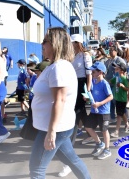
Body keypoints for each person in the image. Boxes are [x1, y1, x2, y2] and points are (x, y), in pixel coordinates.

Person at [29, 27, 90, 179]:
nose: (41, 44)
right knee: (72, 160)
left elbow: (60, 100)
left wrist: (51, 132)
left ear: (55, 44)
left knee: (36, 169)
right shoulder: (55, 66)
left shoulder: (59, 68)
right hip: (56, 127)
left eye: (45, 41)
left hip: (54, 127)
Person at [58, 34, 92, 178]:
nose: (71, 45)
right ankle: (95, 137)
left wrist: (87, 91)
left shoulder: (85, 56)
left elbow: (89, 74)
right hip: (71, 84)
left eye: (73, 43)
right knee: (77, 118)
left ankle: (68, 160)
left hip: (81, 86)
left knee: (74, 117)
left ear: (79, 43)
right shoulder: (70, 55)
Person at [84, 62, 113, 160]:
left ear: (100, 72)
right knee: (88, 127)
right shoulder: (93, 81)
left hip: (103, 111)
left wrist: (100, 103)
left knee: (104, 130)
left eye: (94, 71)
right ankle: (99, 143)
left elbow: (111, 96)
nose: (92, 72)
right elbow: (91, 95)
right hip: (93, 110)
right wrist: (87, 98)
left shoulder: (104, 83)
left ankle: (107, 149)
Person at [104, 46, 125, 123]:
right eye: (109, 50)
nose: (110, 52)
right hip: (109, 82)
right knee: (111, 100)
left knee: (118, 101)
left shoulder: (119, 60)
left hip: (117, 82)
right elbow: (105, 69)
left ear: (116, 51)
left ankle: (124, 116)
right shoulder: (109, 60)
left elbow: (124, 69)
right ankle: (112, 117)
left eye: (112, 50)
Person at [109, 62, 129, 138]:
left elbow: (128, 88)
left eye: (117, 69)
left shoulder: (124, 79)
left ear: (122, 71)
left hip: (122, 99)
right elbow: (110, 81)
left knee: (118, 115)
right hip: (117, 98)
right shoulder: (116, 77)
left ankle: (116, 131)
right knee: (121, 112)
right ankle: (127, 124)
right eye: (115, 69)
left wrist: (122, 86)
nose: (115, 70)